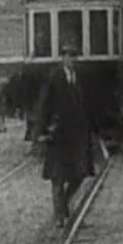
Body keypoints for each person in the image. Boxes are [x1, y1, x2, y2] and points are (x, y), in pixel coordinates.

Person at [35, 45, 95, 228]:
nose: (72, 60)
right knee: (58, 177)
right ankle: (60, 216)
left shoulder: (79, 78)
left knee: (79, 174)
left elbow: (86, 105)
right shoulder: (55, 78)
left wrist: (93, 130)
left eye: (74, 57)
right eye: (69, 56)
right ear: (63, 59)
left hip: (76, 137)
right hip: (58, 136)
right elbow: (44, 105)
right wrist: (40, 132)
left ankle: (64, 206)